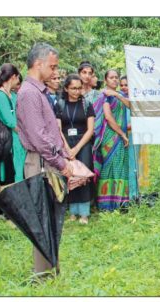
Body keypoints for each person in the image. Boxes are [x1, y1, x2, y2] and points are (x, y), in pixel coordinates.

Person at [17, 42, 73, 274]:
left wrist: (64, 157)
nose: (55, 72)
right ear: (38, 64)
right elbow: (39, 138)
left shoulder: (40, 92)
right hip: (41, 164)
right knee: (42, 222)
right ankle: (43, 275)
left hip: (48, 161)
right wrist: (61, 163)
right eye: (52, 66)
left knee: (52, 219)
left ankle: (52, 269)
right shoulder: (29, 94)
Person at [56, 74, 95, 224]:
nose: (76, 91)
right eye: (73, 88)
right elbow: (58, 129)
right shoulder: (59, 104)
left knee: (83, 177)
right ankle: (73, 211)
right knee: (70, 176)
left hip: (83, 143)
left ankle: (84, 212)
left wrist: (77, 148)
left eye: (79, 88)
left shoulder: (87, 104)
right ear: (66, 88)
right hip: (65, 143)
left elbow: (90, 129)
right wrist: (67, 148)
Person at [0, 63, 26, 217]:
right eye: (18, 77)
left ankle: (13, 209)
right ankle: (3, 211)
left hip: (17, 143)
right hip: (6, 143)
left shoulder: (13, 94)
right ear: (13, 77)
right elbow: (10, 121)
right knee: (6, 176)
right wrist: (25, 131)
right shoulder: (0, 95)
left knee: (16, 174)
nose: (18, 81)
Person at [92, 69, 131, 211]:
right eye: (111, 77)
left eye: (116, 77)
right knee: (109, 168)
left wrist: (117, 95)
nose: (115, 80)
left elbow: (131, 106)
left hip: (121, 136)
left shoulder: (118, 94)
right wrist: (122, 133)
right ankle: (106, 204)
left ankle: (121, 202)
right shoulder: (104, 96)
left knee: (121, 167)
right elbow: (108, 117)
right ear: (106, 79)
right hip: (109, 136)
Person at [119, 75, 139, 202]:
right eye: (121, 85)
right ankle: (124, 194)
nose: (123, 87)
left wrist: (124, 127)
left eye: (126, 85)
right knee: (124, 165)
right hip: (121, 136)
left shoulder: (135, 100)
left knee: (134, 165)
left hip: (133, 136)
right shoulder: (119, 99)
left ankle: (133, 194)